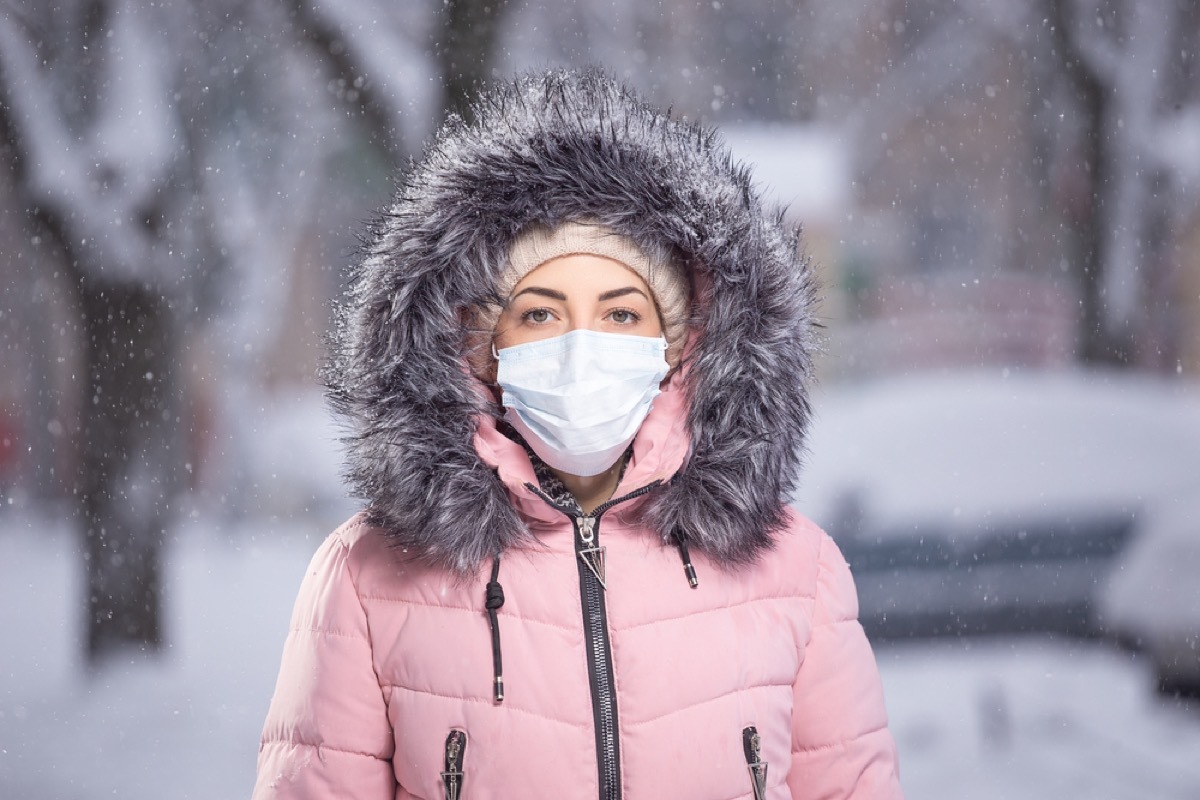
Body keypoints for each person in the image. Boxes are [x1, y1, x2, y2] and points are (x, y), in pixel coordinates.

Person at [252, 69, 903, 800]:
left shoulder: (796, 574)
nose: (580, 346)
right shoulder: (367, 580)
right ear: (479, 348)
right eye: (540, 313)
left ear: (682, 346)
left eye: (622, 314)